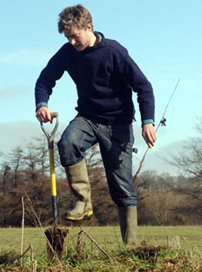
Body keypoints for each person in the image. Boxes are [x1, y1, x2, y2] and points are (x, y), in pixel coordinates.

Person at [35, 4, 156, 246]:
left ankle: (130, 246)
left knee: (121, 188)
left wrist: (147, 122)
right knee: (68, 142)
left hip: (118, 123)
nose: (71, 42)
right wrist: (42, 104)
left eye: (74, 36)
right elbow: (45, 79)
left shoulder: (114, 51)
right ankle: (83, 201)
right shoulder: (67, 53)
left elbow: (143, 87)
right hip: (88, 118)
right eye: (67, 37)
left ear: (88, 27)